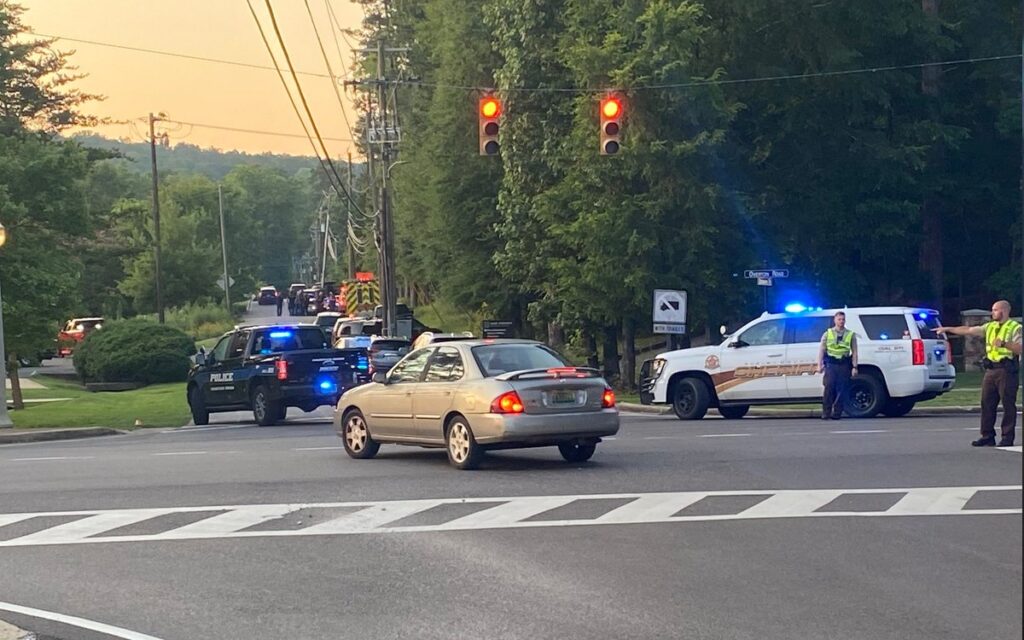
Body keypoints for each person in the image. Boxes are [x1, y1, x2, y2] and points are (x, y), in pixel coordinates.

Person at [937, 300, 1021, 447]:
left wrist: (1004, 344)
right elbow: (968, 330)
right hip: (991, 370)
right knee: (987, 403)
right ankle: (987, 436)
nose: (992, 313)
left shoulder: (1015, 327)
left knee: (1008, 404)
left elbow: (1020, 348)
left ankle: (1007, 437)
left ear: (1004, 311)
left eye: (995, 310)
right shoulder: (990, 326)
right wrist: (948, 329)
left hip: (1006, 370)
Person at [817, 311, 858, 420]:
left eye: (843, 319)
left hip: (844, 364)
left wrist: (855, 367)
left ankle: (837, 413)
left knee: (842, 389)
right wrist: (819, 364)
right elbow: (822, 350)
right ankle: (826, 412)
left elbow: (854, 352)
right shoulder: (828, 333)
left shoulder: (850, 334)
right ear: (835, 320)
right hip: (831, 364)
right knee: (829, 387)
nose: (841, 321)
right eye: (839, 319)